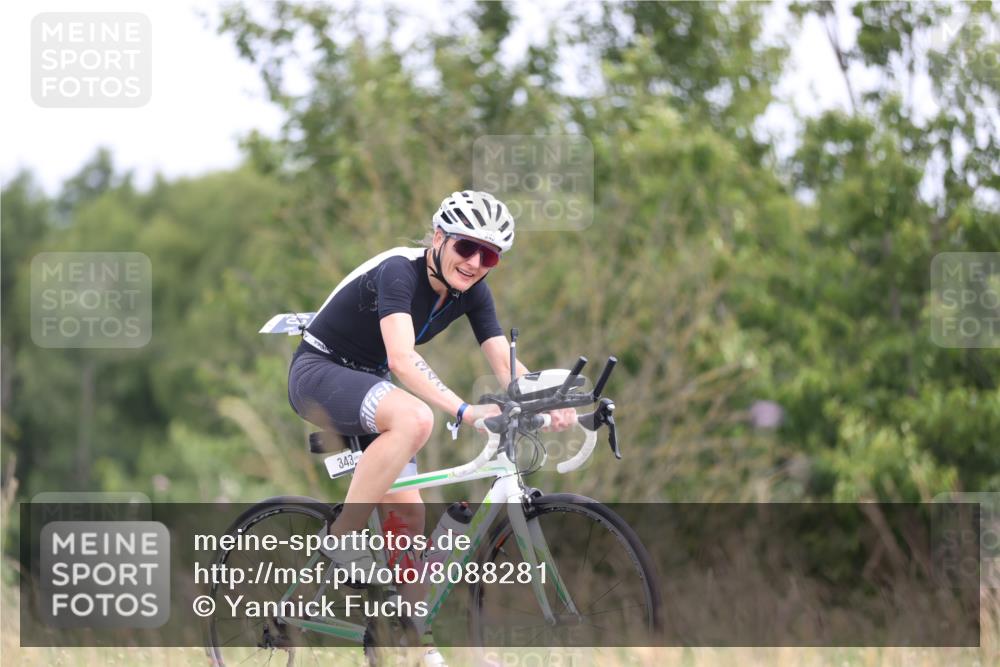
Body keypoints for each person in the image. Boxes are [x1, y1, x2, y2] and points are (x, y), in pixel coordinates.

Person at [287, 190, 576, 663]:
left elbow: (505, 364)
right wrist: (463, 411)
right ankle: (341, 539)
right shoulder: (398, 272)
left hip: (368, 383)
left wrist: (553, 401)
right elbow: (401, 359)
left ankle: (412, 645)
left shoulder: (473, 292)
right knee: (416, 417)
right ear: (439, 238)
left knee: (408, 518)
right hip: (319, 372)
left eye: (489, 256)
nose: (475, 263)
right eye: (467, 247)